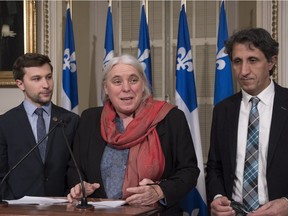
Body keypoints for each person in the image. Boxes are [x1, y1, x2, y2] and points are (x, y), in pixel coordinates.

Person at [66, 54, 200, 215]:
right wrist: (81, 187)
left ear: (142, 84)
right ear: (106, 88)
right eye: (117, 81)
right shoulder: (90, 119)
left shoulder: (170, 118)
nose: (126, 88)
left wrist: (159, 191)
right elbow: (75, 167)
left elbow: (189, 171)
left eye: (133, 80)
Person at [206, 27, 288, 216]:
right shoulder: (222, 110)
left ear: (271, 62)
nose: (244, 71)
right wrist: (217, 196)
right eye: (237, 62)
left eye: (252, 60)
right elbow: (215, 166)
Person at [0, 53, 79, 199]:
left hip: (62, 206)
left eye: (48, 77)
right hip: (18, 209)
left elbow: (75, 168)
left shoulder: (71, 120)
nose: (46, 85)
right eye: (37, 79)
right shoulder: (5, 123)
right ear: (20, 84)